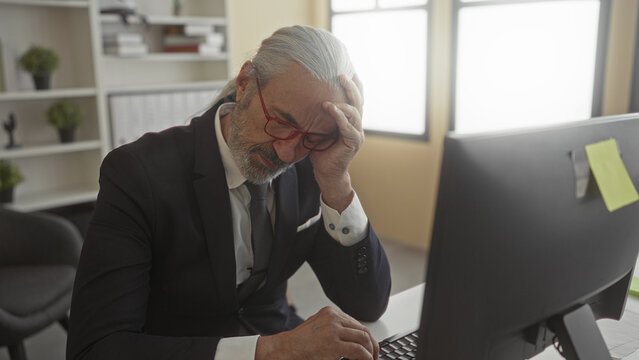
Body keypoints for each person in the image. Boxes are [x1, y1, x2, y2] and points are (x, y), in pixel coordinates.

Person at [67, 25, 391, 360]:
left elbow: (367, 304)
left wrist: (338, 185)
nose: (287, 153)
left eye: (313, 136)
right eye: (280, 122)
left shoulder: (315, 166)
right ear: (245, 82)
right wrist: (271, 350)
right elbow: (95, 349)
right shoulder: (137, 174)